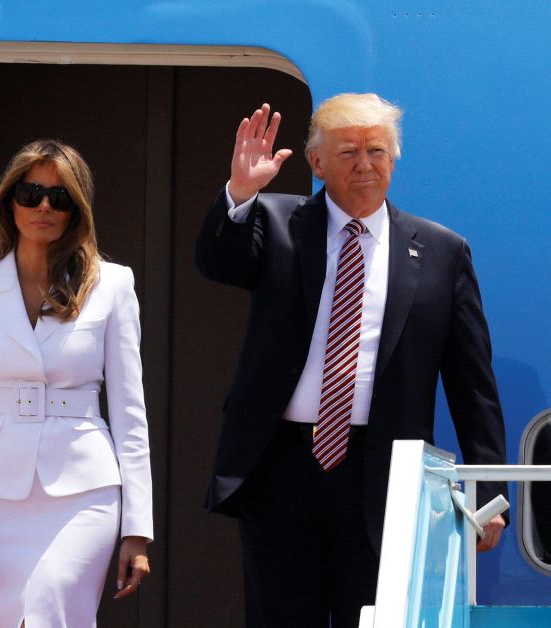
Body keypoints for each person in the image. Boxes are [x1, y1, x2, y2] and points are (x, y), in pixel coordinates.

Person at [195, 94, 508, 627]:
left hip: (385, 475)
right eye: (349, 153)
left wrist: (490, 490)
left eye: (377, 151)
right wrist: (241, 193)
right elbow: (218, 262)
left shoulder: (440, 251)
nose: (366, 164)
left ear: (394, 158)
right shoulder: (276, 221)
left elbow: (471, 384)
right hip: (282, 470)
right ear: (317, 163)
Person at [0, 139, 153, 627]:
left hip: (84, 491)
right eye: (31, 193)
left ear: (78, 208)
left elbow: (131, 412)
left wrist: (138, 528)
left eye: (60, 196)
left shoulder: (112, 285)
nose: (44, 206)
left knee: (57, 609)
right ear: (9, 202)